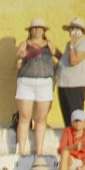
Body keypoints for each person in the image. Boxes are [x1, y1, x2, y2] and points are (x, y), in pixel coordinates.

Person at [14, 18, 58, 158]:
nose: (36, 31)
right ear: (30, 31)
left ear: (44, 31)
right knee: (25, 116)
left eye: (39, 28)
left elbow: (62, 58)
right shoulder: (24, 44)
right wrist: (20, 57)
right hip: (26, 81)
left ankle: (39, 150)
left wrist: (53, 71)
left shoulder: (49, 45)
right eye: (33, 28)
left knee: (41, 118)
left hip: (44, 82)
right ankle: (21, 149)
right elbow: (16, 64)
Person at [55, 18, 85, 126]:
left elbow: (73, 61)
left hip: (75, 85)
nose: (72, 31)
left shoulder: (83, 43)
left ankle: (78, 140)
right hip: (63, 84)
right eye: (71, 28)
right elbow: (65, 60)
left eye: (75, 28)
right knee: (67, 117)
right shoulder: (69, 45)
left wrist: (72, 45)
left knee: (76, 117)